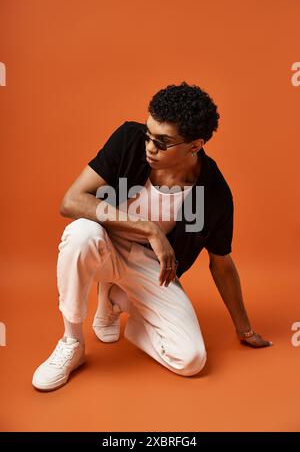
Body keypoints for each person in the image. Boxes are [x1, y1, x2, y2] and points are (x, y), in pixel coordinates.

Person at [32, 81, 272, 392]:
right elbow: (72, 201)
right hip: (105, 243)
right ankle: (72, 341)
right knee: (81, 232)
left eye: (162, 142)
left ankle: (118, 299)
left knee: (191, 360)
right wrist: (149, 228)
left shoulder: (215, 194)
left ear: (195, 146)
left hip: (151, 268)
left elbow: (222, 263)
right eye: (149, 135)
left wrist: (245, 328)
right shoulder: (129, 140)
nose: (149, 147)